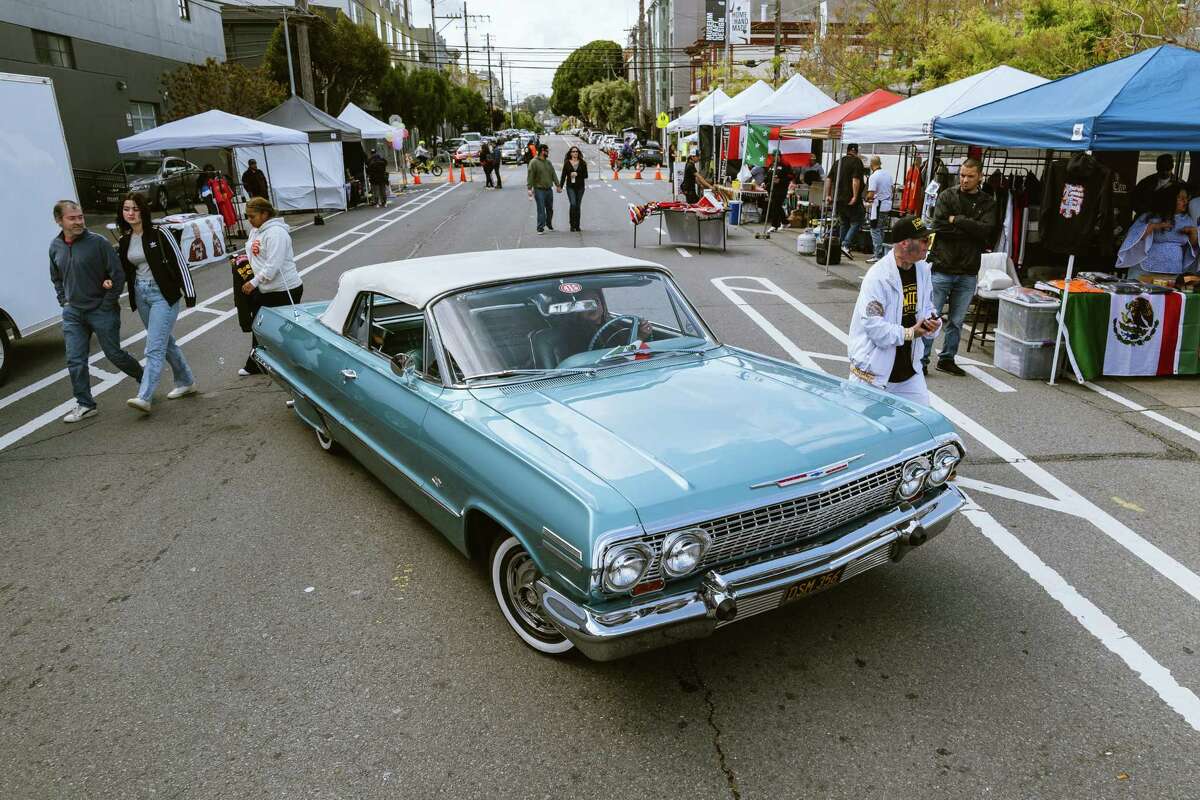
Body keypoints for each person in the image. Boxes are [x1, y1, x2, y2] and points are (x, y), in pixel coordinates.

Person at [48, 200, 144, 423]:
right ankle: (85, 404)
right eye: (72, 218)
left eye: (80, 217)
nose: (79, 221)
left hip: (101, 310)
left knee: (114, 354)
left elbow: (117, 275)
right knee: (75, 359)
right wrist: (64, 301)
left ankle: (144, 378)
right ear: (59, 221)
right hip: (73, 313)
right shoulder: (55, 246)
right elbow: (56, 277)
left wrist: (106, 303)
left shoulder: (98, 243)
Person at [115, 192, 197, 413]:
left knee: (154, 346)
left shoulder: (160, 233)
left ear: (143, 210)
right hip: (141, 296)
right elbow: (124, 271)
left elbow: (180, 262)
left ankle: (145, 396)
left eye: (135, 208)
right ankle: (186, 381)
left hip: (164, 296)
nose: (130, 213)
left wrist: (189, 293)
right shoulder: (124, 240)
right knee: (164, 342)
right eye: (126, 209)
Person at [847, 215, 940, 406]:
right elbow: (875, 329)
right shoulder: (878, 277)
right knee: (868, 432)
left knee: (921, 424)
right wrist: (910, 332)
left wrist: (933, 324)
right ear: (905, 243)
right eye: (924, 240)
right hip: (872, 373)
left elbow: (928, 307)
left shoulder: (922, 269)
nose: (928, 244)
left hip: (909, 371)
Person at [922, 158, 996, 377]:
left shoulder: (988, 202)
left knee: (957, 320)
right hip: (943, 266)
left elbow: (987, 231)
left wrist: (958, 220)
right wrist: (970, 227)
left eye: (970, 176)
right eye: (962, 175)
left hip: (968, 270)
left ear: (980, 176)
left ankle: (947, 358)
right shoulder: (947, 196)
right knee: (931, 317)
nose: (964, 179)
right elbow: (939, 227)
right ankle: (922, 359)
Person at [239, 197, 303, 375]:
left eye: (252, 216)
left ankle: (296, 364)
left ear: (265, 214)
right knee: (260, 326)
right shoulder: (256, 231)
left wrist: (254, 281)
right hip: (266, 289)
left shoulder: (276, 233)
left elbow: (273, 264)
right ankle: (257, 363)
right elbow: (254, 254)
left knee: (285, 330)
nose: (249, 220)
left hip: (284, 289)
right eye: (247, 216)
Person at [1116, 185, 1199, 281]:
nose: (1185, 202)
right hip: (1146, 270)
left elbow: (1192, 249)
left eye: (1186, 199)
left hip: (1173, 271)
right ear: (1169, 200)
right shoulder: (1149, 217)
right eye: (1181, 198)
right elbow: (1133, 238)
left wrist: (1193, 233)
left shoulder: (1188, 220)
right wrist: (1155, 226)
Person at [825, 143, 866, 260]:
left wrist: (828, 195)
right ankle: (845, 245)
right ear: (856, 151)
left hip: (838, 198)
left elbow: (828, 179)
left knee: (844, 223)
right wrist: (854, 196)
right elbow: (855, 180)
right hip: (850, 199)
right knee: (857, 221)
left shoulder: (838, 162)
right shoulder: (857, 162)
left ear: (847, 151)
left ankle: (840, 246)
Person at [526, 143, 561, 235]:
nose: (548, 152)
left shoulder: (548, 162)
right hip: (539, 190)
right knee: (541, 209)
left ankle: (549, 224)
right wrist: (529, 188)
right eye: (546, 151)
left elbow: (553, 174)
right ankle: (540, 227)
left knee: (550, 209)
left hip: (549, 189)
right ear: (542, 151)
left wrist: (558, 185)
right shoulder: (533, 162)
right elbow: (530, 176)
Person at [866, 156, 894, 263]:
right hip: (887, 205)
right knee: (881, 229)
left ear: (872, 165)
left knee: (875, 230)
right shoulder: (887, 174)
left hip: (878, 206)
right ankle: (881, 253)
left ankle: (877, 254)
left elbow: (871, 193)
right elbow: (892, 189)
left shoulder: (874, 176)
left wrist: (867, 198)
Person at [560, 145, 588, 232]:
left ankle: (577, 225)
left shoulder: (582, 163)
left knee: (578, 206)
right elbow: (563, 176)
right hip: (570, 187)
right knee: (573, 204)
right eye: (573, 151)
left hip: (580, 187)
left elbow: (586, 175)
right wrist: (560, 186)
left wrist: (577, 174)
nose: (575, 153)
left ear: (578, 153)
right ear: (570, 153)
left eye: (576, 151)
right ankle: (572, 225)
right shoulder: (567, 163)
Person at [765, 161, 793, 233]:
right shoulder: (771, 165)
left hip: (781, 190)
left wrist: (780, 180)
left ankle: (774, 225)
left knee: (775, 206)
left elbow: (790, 177)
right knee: (777, 206)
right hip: (772, 189)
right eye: (774, 155)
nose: (775, 157)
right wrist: (764, 183)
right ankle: (785, 222)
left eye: (776, 155)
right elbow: (768, 176)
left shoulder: (785, 165)